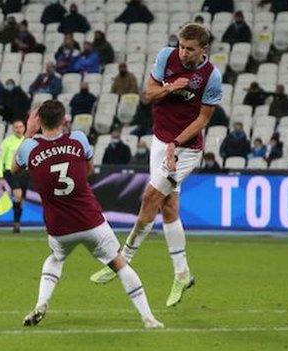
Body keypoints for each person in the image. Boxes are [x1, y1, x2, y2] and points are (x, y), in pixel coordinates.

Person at [89, 24, 223, 309]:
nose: (183, 53)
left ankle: (121, 260)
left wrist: (176, 143)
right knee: (168, 207)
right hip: (161, 142)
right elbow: (147, 95)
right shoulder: (166, 57)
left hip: (185, 150)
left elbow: (202, 120)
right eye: (181, 46)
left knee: (149, 198)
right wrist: (169, 88)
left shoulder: (211, 76)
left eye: (189, 49)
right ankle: (182, 274)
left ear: (203, 50)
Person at [14, 100, 162, 328]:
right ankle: (148, 317)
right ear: (64, 120)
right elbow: (89, 170)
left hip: (59, 227)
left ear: (39, 121)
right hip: (90, 220)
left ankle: (42, 302)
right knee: (120, 264)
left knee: (55, 258)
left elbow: (14, 169)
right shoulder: (78, 139)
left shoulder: (29, 148)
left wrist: (29, 133)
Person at [0, 120, 28, 233]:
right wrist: (0, 176)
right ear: (13, 129)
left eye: (20, 126)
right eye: (16, 127)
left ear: (24, 128)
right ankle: (16, 223)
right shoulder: (7, 142)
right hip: (10, 172)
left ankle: (17, 224)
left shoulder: (27, 141)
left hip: (24, 173)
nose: (19, 129)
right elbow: (0, 159)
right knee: (18, 194)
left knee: (21, 200)